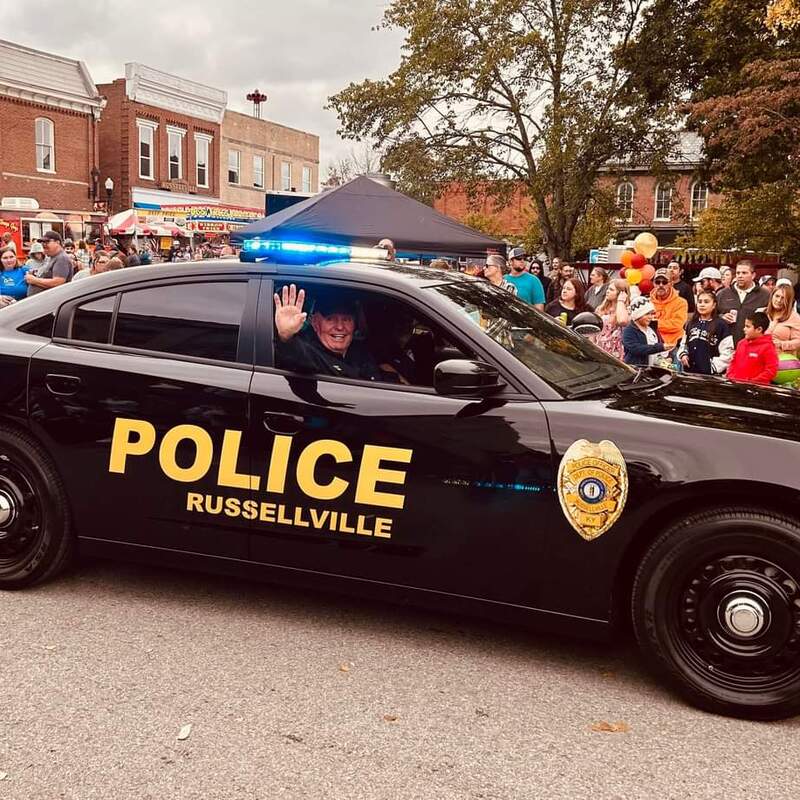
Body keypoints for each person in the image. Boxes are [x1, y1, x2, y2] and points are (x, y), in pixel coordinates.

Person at [273, 284, 385, 381]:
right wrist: (286, 336)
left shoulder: (359, 350)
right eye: (330, 319)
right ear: (315, 323)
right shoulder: (310, 352)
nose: (340, 327)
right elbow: (295, 357)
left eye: (346, 319)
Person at [677, 290, 734, 375]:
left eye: (706, 302)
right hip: (689, 372)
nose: (702, 305)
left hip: (710, 376)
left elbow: (728, 353)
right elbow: (683, 344)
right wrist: (683, 354)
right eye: (700, 302)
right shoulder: (691, 323)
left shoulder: (721, 325)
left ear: (714, 305)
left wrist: (713, 367)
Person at [716, 260, 771, 344]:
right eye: (738, 273)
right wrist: (721, 317)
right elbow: (712, 315)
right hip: (726, 345)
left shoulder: (765, 294)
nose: (740, 276)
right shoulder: (722, 294)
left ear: (753, 275)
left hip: (754, 345)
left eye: (744, 273)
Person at [727, 311, 779, 386]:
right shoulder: (741, 343)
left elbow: (771, 370)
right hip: (735, 387)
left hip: (756, 391)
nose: (744, 329)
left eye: (747, 326)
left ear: (759, 329)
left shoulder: (768, 347)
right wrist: (730, 377)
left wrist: (751, 383)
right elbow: (733, 362)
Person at [589, 278, 629, 360]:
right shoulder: (600, 309)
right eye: (608, 289)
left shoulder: (626, 309)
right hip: (599, 348)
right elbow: (593, 331)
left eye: (611, 289)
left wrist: (621, 301)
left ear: (620, 293)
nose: (607, 291)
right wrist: (591, 348)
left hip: (616, 350)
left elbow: (622, 321)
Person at [650, 267, 688, 349]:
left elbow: (677, 325)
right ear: (653, 283)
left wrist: (653, 324)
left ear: (671, 283)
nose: (661, 285)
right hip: (652, 345)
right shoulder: (647, 302)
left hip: (673, 346)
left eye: (664, 282)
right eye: (657, 282)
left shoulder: (681, 302)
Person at [25, 230, 73, 296]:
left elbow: (58, 282)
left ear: (57, 242)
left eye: (47, 242)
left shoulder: (62, 258)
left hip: (51, 302)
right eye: (42, 242)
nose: (43, 245)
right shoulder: (52, 257)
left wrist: (34, 280)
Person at [622, 296, 665, 366]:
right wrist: (660, 347)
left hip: (654, 372)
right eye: (647, 314)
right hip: (637, 372)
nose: (650, 317)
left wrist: (668, 357)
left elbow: (661, 344)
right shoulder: (628, 331)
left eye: (651, 314)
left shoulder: (653, 329)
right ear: (638, 315)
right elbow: (637, 349)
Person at [765, 284, 800, 355]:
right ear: (772, 296)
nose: (779, 300)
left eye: (783, 298)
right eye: (777, 296)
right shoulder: (761, 312)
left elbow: (798, 341)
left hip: (781, 360)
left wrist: (781, 344)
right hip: (758, 358)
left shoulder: (794, 317)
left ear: (788, 300)